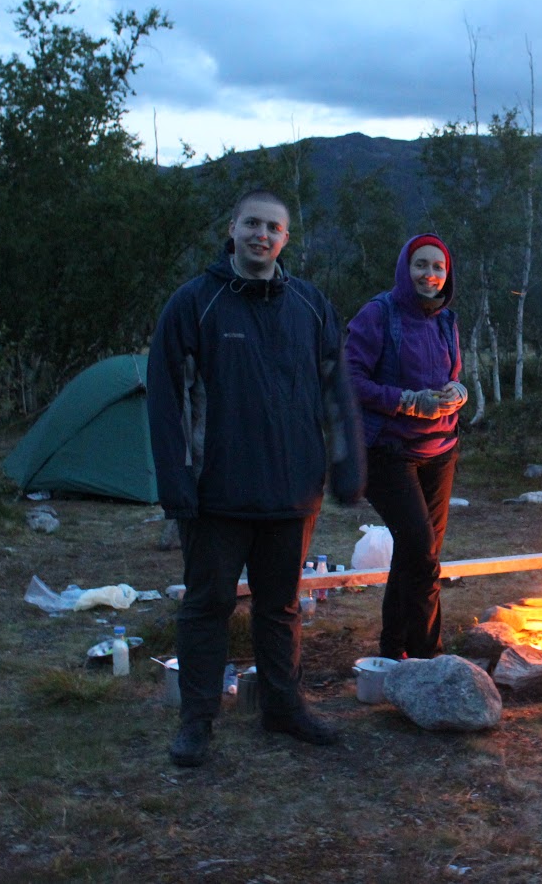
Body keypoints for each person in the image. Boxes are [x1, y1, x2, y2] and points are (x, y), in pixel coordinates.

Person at [147, 188, 365, 767]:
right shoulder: (195, 304)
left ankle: (282, 707)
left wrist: (347, 466)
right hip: (216, 492)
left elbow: (335, 392)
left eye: (273, 227)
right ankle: (197, 720)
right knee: (206, 605)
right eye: (251, 224)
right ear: (233, 229)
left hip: (293, 492)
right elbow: (166, 400)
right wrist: (175, 483)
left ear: (285, 238)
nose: (261, 235)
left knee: (280, 607)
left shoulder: (311, 306)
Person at [345, 234, 468, 660]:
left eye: (438, 267)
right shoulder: (378, 315)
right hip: (388, 452)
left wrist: (456, 389)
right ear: (405, 268)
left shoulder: (446, 320)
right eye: (421, 265)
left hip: (440, 451)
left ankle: (393, 649)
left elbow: (449, 371)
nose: (430, 275)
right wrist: (404, 400)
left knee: (417, 551)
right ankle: (427, 658)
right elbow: (349, 378)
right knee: (422, 555)